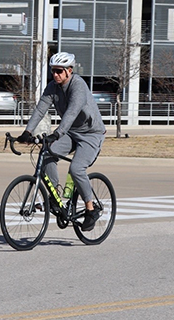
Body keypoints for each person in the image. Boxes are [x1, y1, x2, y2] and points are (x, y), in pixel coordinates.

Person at [16, 52, 107, 231]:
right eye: (53, 71)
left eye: (59, 71)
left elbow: (72, 113)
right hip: (71, 132)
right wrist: (27, 132)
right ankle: (56, 198)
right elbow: (41, 108)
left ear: (69, 71)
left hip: (91, 134)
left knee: (76, 169)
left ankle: (90, 209)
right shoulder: (52, 87)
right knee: (47, 153)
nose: (55, 74)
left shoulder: (78, 85)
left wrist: (57, 133)